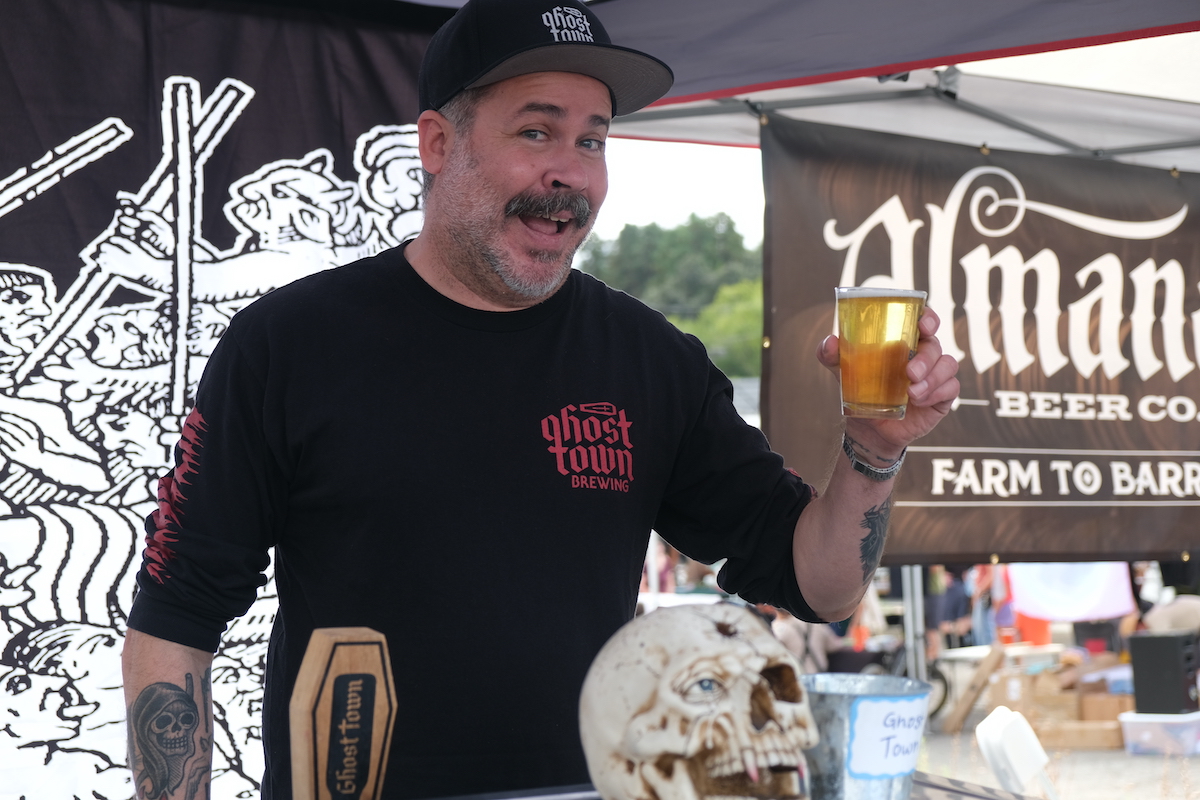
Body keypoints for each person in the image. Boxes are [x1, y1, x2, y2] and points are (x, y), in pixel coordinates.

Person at [120, 1, 961, 798]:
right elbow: (178, 611)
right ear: (438, 143)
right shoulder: (289, 344)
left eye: (593, 142)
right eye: (536, 131)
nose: (570, 174)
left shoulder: (650, 361)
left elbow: (816, 587)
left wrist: (875, 449)